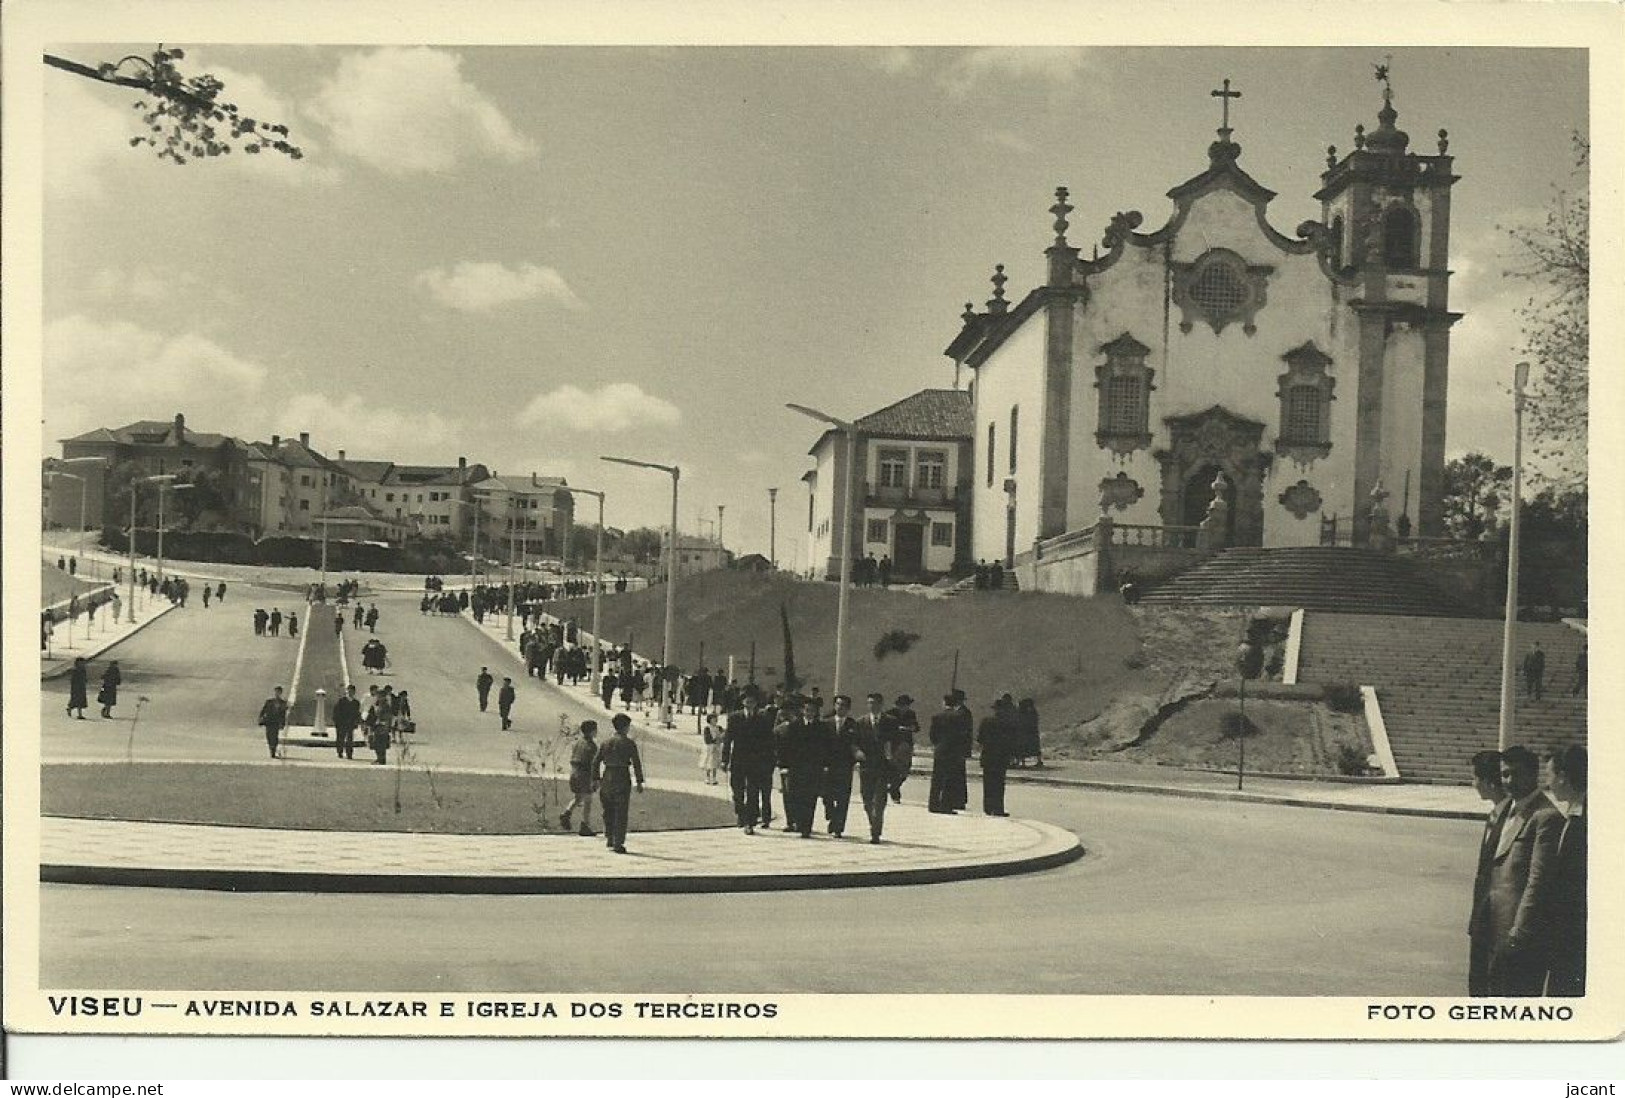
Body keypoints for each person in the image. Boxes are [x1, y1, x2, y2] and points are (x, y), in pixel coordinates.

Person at [1484, 745, 1564, 996]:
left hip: (1521, 937)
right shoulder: (1506, 810)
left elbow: (1537, 882)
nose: (1509, 781)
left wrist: (1519, 932)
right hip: (1495, 930)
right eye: (1505, 774)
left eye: (1516, 774)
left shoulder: (1545, 816)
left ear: (1534, 775)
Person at [1466, 749, 1512, 996]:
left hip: (1495, 916)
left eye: (1475, 778)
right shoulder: (1495, 814)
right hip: (1482, 913)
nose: (1473, 784)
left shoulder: (1512, 817)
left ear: (1488, 782)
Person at [1543, 745, 1587, 996]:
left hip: (1573, 933)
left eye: (1549, 776)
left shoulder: (1587, 819)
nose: (1547, 783)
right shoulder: (1574, 813)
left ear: (1563, 776)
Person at [721, 687, 775, 835]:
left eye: (753, 700)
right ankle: (740, 813)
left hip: (756, 761)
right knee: (737, 790)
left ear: (756, 703)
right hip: (738, 759)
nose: (750, 702)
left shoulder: (763, 719)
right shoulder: (734, 717)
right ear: (743, 701)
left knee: (753, 791)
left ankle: (749, 822)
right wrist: (724, 760)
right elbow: (728, 739)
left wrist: (768, 761)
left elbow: (768, 741)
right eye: (747, 699)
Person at [774, 695, 824, 838]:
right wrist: (784, 765)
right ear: (803, 710)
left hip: (813, 768)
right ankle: (798, 821)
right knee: (795, 796)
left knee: (810, 798)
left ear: (816, 712)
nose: (809, 713)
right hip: (796, 768)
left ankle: (806, 827)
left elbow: (824, 748)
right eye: (807, 710)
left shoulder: (820, 727)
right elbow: (786, 747)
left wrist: (824, 765)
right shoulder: (795, 726)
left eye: (812, 710)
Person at [595, 712, 645, 854]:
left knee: (608, 809)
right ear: (625, 727)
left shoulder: (605, 743)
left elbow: (596, 761)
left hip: (607, 776)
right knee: (621, 811)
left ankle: (609, 837)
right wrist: (639, 781)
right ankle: (618, 842)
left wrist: (595, 779)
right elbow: (636, 763)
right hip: (622, 776)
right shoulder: (629, 743)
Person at [851, 697, 894, 844]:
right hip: (866, 765)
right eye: (869, 703)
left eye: (875, 703)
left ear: (881, 705)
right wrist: (857, 752)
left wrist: (892, 756)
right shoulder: (861, 722)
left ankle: (875, 830)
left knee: (880, 799)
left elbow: (896, 741)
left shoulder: (890, 722)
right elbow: (854, 742)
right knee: (867, 798)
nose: (872, 706)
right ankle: (873, 821)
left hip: (883, 765)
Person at [929, 691, 972, 813]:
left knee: (937, 778)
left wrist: (938, 744)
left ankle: (933, 804)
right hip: (953, 750)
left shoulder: (936, 716)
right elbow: (962, 735)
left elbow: (932, 735)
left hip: (939, 750)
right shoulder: (958, 717)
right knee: (949, 779)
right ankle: (945, 805)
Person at [821, 694, 857, 836]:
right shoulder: (826, 724)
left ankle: (838, 827)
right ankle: (831, 813)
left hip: (845, 766)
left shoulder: (853, 725)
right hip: (828, 766)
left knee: (843, 798)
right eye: (838, 704)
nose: (840, 708)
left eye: (843, 706)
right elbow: (821, 745)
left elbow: (855, 744)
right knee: (826, 795)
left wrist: (853, 761)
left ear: (848, 709)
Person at [559, 720, 601, 837]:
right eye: (595, 730)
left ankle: (567, 812)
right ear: (592, 731)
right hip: (585, 775)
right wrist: (595, 779)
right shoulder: (592, 746)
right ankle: (585, 825)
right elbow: (593, 764)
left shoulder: (578, 742)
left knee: (578, 797)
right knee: (588, 800)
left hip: (574, 773)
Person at [977, 696, 1016, 816]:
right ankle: (998, 808)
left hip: (988, 755)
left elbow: (980, 739)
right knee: (999, 783)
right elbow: (1012, 740)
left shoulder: (986, 721)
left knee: (988, 782)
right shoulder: (1008, 723)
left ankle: (988, 807)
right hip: (1001, 756)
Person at [885, 694, 918, 803]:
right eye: (903, 705)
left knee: (905, 769)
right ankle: (895, 793)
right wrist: (898, 728)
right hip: (894, 743)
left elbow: (916, 727)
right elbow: (885, 727)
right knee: (894, 768)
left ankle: (893, 787)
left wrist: (912, 728)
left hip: (906, 744)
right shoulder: (890, 713)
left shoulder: (911, 714)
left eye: (907, 705)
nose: (906, 707)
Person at [257, 686, 289, 759]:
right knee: (268, 735)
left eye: (279, 692)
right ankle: (271, 747)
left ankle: (273, 750)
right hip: (269, 721)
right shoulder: (269, 701)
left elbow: (283, 714)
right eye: (276, 692)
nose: (277, 693)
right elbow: (263, 710)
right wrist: (260, 718)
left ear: (281, 693)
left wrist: (283, 723)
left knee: (274, 736)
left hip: (276, 722)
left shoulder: (283, 703)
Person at [333, 684, 362, 761]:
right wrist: (337, 721)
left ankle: (349, 753)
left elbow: (357, 713)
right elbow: (337, 712)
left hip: (350, 723)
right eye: (349, 691)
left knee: (350, 739)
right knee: (340, 738)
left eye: (352, 691)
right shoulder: (341, 701)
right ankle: (340, 751)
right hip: (341, 722)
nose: (350, 692)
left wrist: (356, 722)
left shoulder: (356, 703)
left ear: (354, 692)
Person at [700, 712, 723, 785]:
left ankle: (714, 778)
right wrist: (715, 740)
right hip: (709, 747)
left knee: (715, 763)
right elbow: (707, 739)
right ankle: (707, 777)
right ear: (709, 720)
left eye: (716, 719)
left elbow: (723, 735)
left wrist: (721, 739)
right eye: (713, 719)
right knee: (709, 762)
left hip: (717, 747)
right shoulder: (707, 728)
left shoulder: (719, 728)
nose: (715, 721)